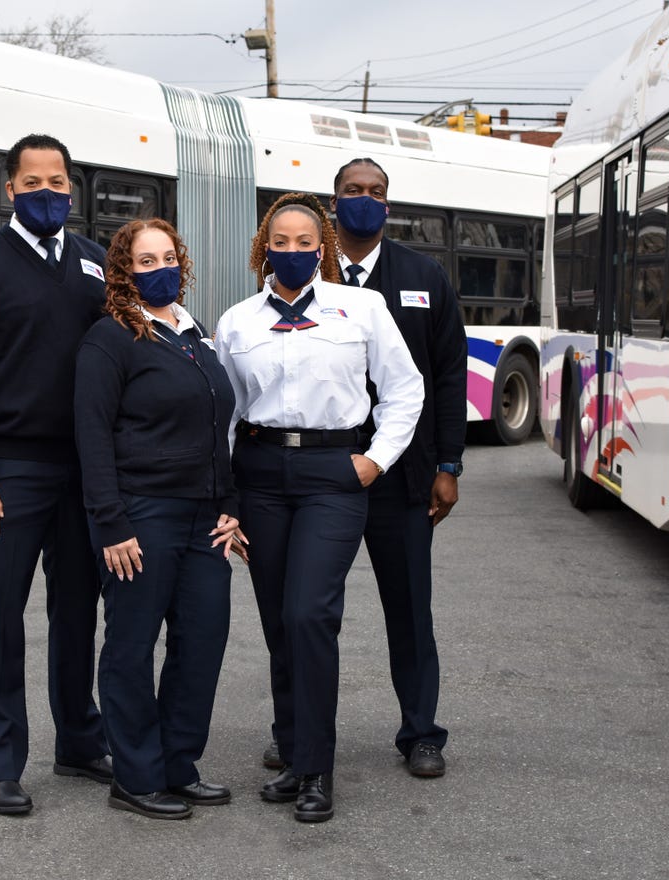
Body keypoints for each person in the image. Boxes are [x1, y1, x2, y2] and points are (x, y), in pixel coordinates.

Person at [214, 193, 423, 823]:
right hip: (260, 475)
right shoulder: (237, 321)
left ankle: (317, 770)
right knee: (279, 619)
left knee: (310, 614)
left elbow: (404, 388)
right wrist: (224, 496)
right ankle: (293, 749)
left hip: (334, 474)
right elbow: (221, 414)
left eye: (307, 241)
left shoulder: (362, 307)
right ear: (263, 246)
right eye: (282, 240)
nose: (294, 250)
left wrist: (374, 461)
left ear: (323, 246)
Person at [0, 133, 111, 816]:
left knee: (78, 613)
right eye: (32, 182)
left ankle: (79, 738)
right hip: (8, 472)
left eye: (58, 181)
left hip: (85, 471)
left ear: (73, 188)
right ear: (9, 188)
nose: (47, 192)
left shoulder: (98, 265)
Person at [74, 218, 244, 820]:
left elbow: (219, 427)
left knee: (201, 641)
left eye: (168, 257)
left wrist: (231, 506)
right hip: (141, 514)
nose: (160, 269)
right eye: (145, 261)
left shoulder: (194, 335)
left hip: (206, 520)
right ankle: (136, 775)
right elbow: (91, 438)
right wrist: (112, 523)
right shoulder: (110, 339)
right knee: (132, 645)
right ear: (123, 272)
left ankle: (178, 765)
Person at [330, 157, 467, 778]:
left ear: (388, 203)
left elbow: (447, 373)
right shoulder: (301, 268)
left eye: (376, 192)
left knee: (410, 609)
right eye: (353, 191)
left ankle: (421, 733)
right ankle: (296, 730)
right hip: (322, 476)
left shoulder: (423, 276)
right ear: (334, 200)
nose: (365, 199)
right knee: (308, 610)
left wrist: (449, 464)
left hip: (403, 476)